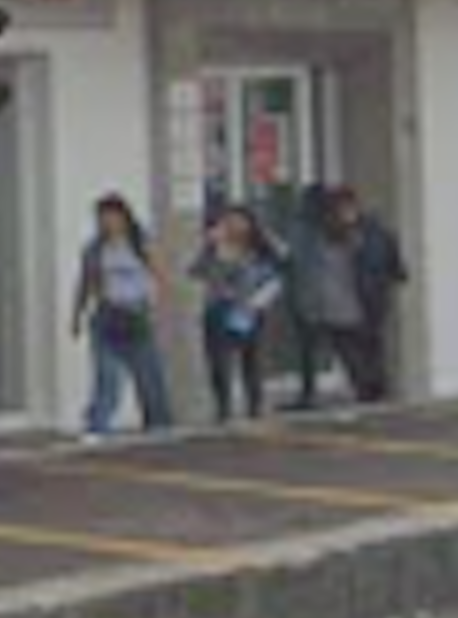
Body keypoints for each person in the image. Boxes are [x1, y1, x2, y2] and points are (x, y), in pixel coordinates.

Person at [68, 194, 172, 437]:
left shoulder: (140, 244)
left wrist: (159, 307)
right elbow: (85, 284)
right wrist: (76, 316)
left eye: (111, 217)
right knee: (107, 377)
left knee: (148, 376)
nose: (107, 223)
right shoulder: (94, 249)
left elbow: (160, 276)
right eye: (101, 218)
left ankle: (159, 423)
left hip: (137, 314)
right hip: (107, 315)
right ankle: (97, 425)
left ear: (124, 218)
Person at [191, 206, 286, 424]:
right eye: (229, 221)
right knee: (219, 362)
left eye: (239, 221)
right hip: (219, 309)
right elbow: (196, 271)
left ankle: (255, 405)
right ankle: (224, 408)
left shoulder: (261, 248)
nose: (234, 226)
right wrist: (212, 246)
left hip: (250, 309)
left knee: (252, 360)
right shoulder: (216, 248)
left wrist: (257, 301)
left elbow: (278, 272)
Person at [283, 184, 362, 411]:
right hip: (339, 300)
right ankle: (356, 390)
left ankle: (310, 395)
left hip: (315, 300)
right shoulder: (341, 229)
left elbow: (294, 260)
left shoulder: (306, 230)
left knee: (312, 350)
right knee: (345, 349)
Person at [328, 186, 410, 404]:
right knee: (366, 343)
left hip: (362, 296)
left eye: (342, 208)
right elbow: (397, 265)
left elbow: (393, 262)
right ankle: (373, 387)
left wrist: (394, 275)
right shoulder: (376, 229)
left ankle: (369, 388)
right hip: (367, 295)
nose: (342, 213)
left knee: (359, 343)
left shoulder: (351, 233)